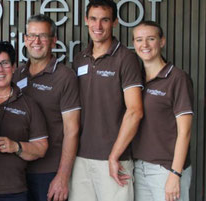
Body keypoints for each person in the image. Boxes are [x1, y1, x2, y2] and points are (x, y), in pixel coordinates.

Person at [70, 1, 144, 200]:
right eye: (93, 19)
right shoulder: (80, 59)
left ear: (115, 22)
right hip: (80, 158)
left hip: (115, 159)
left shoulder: (126, 58)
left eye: (104, 20)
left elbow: (135, 111)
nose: (98, 26)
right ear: (86, 21)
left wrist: (114, 156)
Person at [13, 14, 82, 201]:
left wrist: (62, 176)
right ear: (25, 40)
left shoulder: (64, 76)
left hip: (49, 172)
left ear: (53, 41)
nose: (36, 41)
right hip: (17, 171)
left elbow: (72, 130)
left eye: (43, 36)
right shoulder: (17, 73)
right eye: (32, 36)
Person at [0, 41, 49, 201]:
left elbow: (41, 148)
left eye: (5, 63)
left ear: (14, 67)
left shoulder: (29, 105)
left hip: (14, 192)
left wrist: (16, 146)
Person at [130, 21, 194, 201]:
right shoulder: (136, 79)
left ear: (162, 41)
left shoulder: (177, 78)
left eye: (151, 39)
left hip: (166, 169)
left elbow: (185, 131)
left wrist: (175, 174)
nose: (145, 45)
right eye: (139, 40)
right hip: (139, 168)